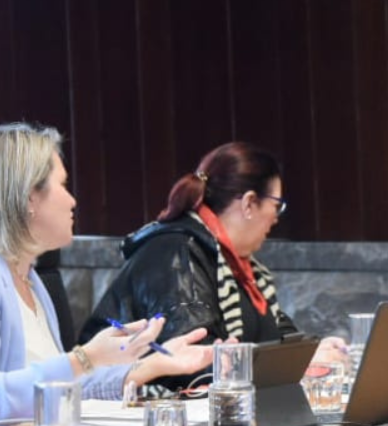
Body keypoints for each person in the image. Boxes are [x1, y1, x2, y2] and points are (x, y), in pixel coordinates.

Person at [0, 123, 214, 424]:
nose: (73, 200)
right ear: (28, 198)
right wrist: (85, 358)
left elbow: (57, 389)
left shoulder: (29, 278)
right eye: (63, 185)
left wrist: (149, 365)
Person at [81, 142, 313, 349]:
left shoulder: (236, 263)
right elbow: (196, 355)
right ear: (249, 203)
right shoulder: (177, 251)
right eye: (277, 205)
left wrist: (310, 353)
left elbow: (270, 332)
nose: (276, 218)